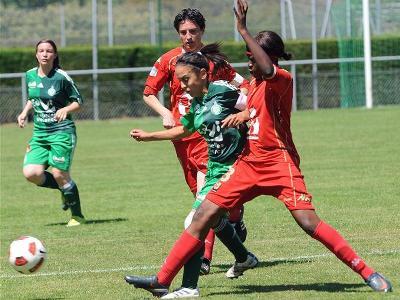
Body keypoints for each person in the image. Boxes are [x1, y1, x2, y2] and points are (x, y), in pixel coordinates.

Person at [123, 0, 393, 296]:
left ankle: (367, 272)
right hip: (248, 164)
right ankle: (163, 281)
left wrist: (242, 28)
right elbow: (250, 105)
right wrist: (241, 115)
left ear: (269, 57)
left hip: (279, 162)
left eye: (252, 58)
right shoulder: (251, 86)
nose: (249, 64)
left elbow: (266, 71)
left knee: (308, 222)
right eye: (248, 58)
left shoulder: (282, 79)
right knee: (202, 215)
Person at [126, 43, 258, 299]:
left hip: (236, 168)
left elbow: (256, 103)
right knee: (213, 220)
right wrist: (149, 135)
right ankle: (244, 257)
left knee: (194, 221)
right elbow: (183, 129)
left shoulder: (224, 91)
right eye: (179, 81)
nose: (182, 86)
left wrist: (244, 117)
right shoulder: (195, 103)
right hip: (215, 169)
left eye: (186, 79)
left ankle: (188, 286)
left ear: (203, 74)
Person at [142, 8, 249, 274]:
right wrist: (165, 112)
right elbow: (148, 92)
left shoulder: (213, 62)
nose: (188, 36)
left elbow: (244, 85)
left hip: (208, 138)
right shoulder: (169, 60)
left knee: (203, 204)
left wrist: (241, 113)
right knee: (206, 201)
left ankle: (203, 260)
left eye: (193, 31)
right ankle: (237, 232)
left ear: (202, 31)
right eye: (183, 32)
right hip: (181, 137)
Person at [17, 39, 85, 227]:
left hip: (61, 132)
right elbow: (33, 98)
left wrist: (66, 110)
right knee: (31, 173)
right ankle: (65, 190)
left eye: (49, 51)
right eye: (41, 51)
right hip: (40, 133)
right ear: (36, 54)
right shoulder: (30, 75)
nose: (45, 54)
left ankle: (77, 216)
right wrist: (24, 113)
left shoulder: (61, 77)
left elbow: (78, 101)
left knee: (59, 173)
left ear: (55, 55)